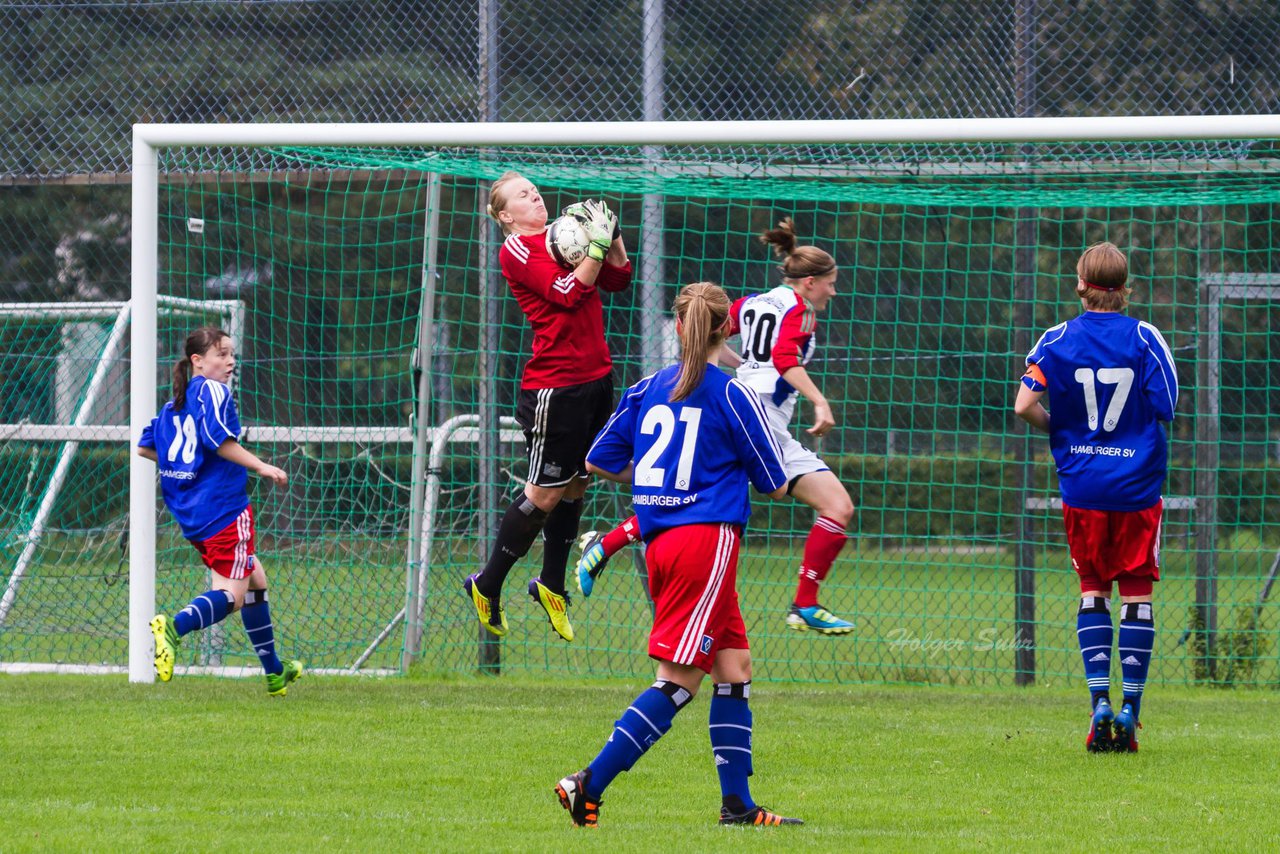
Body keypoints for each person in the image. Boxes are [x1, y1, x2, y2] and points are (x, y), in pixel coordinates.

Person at [555, 282, 801, 828]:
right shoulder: (735, 394)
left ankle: (737, 805)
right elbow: (774, 483)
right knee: (679, 680)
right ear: (726, 327)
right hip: (704, 544)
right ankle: (586, 783)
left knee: (734, 669)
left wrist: (659, 481)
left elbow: (599, 459)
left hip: (662, 543)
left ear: (679, 326)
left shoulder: (648, 388)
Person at [575, 218, 855, 635]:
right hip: (759, 420)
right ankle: (804, 603)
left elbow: (715, 334)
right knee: (835, 506)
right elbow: (783, 359)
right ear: (810, 282)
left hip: (739, 406)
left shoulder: (754, 302)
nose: (833, 291)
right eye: (830, 283)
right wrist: (820, 401)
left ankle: (607, 544)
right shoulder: (802, 312)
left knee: (687, 489)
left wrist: (743, 367)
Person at [1014, 242, 1177, 753]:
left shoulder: (1056, 339)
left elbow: (1024, 405)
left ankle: (1097, 704)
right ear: (1126, 289)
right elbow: (1167, 405)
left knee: (1092, 590)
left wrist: (1062, 429)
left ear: (1080, 285)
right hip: (1136, 488)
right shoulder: (1146, 338)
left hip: (1081, 485)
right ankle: (1130, 708)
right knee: (1137, 593)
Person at [464, 171, 632, 642]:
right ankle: (486, 583)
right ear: (505, 215)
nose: (534, 195)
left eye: (534, 189)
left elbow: (618, 278)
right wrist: (595, 250)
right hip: (554, 389)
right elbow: (567, 293)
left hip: (597, 379)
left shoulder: (566, 232)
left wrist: (611, 236)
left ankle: (552, 584)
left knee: (577, 485)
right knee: (543, 494)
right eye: (522, 194)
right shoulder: (515, 249)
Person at [139, 327, 302, 697]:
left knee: (255, 577)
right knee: (233, 594)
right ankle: (174, 628)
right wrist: (261, 466)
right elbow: (220, 440)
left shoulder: (173, 406)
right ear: (198, 361)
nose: (230, 362)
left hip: (192, 516)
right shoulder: (213, 390)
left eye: (232, 354)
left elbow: (146, 447)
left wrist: (193, 468)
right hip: (225, 511)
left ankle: (274, 671)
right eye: (221, 354)